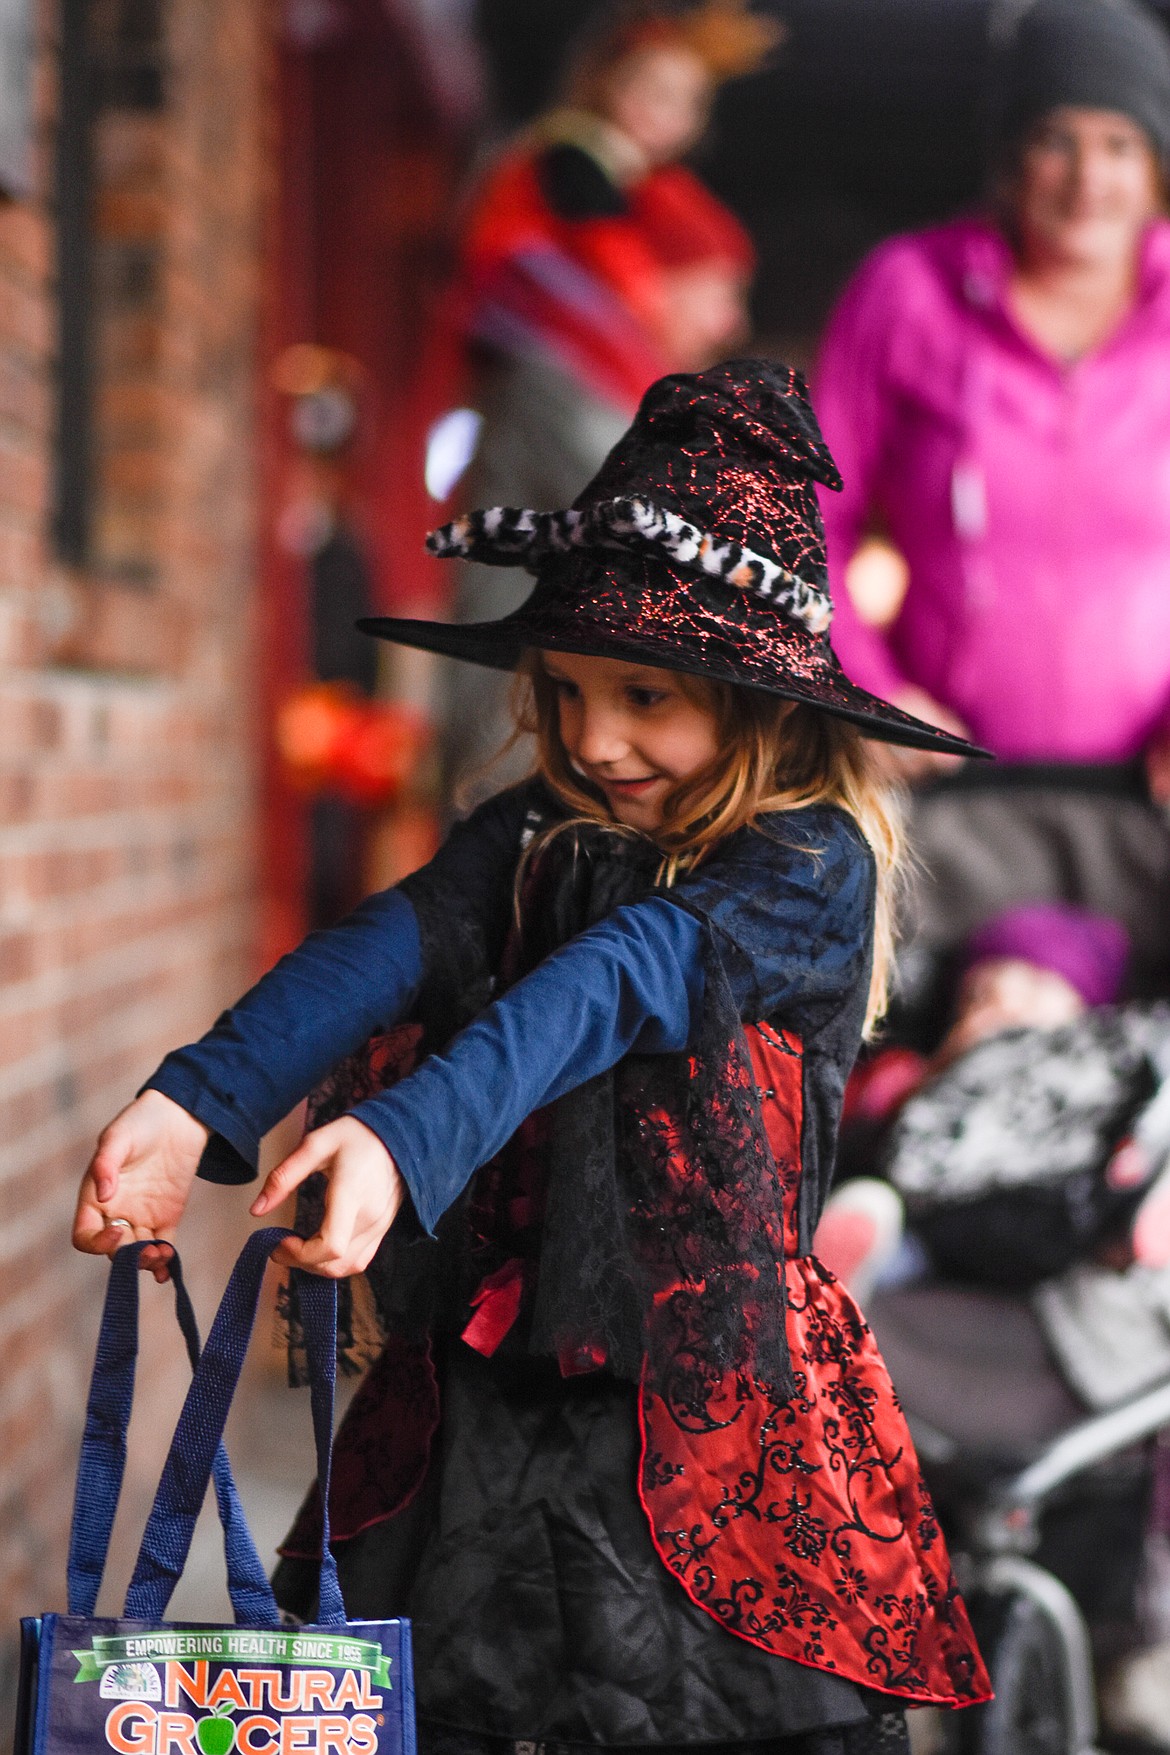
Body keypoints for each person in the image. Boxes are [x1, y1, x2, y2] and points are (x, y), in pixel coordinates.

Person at [72, 362, 990, 1755]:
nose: (595, 738)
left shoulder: (804, 862)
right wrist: (193, 1098)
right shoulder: (533, 825)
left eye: (645, 694)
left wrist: (399, 1134)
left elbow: (614, 982)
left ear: (767, 711)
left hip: (705, 1422)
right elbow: (397, 939)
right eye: (565, 694)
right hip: (489, 1393)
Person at [814, 0, 1170, 989]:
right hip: (949, 800)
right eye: (1056, 139)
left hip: (1151, 810)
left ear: (1156, 167)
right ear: (1011, 158)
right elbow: (809, 515)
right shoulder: (908, 293)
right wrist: (866, 690)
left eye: (1120, 144)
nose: (1089, 177)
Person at [439, 0, 769, 800]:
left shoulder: (593, 368)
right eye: (717, 288)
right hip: (521, 753)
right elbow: (640, 512)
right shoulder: (568, 365)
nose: (731, 322)